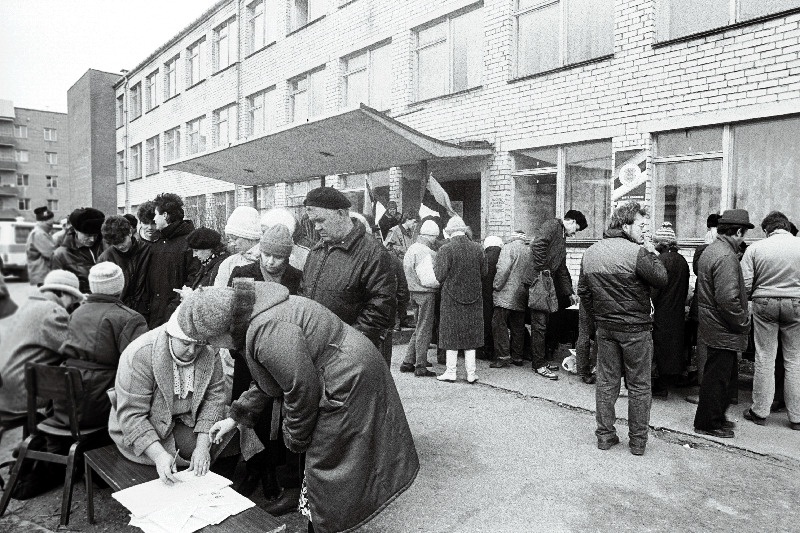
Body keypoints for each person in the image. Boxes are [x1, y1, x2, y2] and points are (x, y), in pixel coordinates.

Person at [177, 280, 418, 533]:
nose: (213, 347)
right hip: (341, 370)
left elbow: (300, 389)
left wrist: (296, 438)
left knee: (328, 468)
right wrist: (235, 418)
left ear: (221, 329)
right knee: (323, 470)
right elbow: (274, 379)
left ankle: (325, 527)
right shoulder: (254, 315)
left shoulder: (266, 330)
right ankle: (320, 523)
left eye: (207, 340)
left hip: (347, 379)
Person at [578, 201, 668, 456]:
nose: (644, 232)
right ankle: (638, 442)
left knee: (606, 383)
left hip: (606, 328)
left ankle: (605, 436)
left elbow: (584, 291)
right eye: (641, 226)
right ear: (625, 225)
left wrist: (599, 316)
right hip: (636, 329)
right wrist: (651, 252)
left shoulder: (591, 252)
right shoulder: (637, 253)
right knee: (639, 385)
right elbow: (661, 279)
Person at [227, 224, 304, 510]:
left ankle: (272, 470)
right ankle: (252, 468)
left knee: (278, 418)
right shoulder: (243, 275)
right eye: (266, 254)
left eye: (278, 257)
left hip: (281, 356)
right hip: (247, 356)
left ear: (288, 257)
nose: (270, 262)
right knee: (248, 415)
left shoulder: (297, 278)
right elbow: (232, 317)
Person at [107, 308, 226, 484]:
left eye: (198, 344)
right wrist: (159, 455)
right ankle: (195, 488)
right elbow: (132, 416)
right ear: (171, 335)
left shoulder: (208, 349)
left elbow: (214, 397)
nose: (192, 351)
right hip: (149, 423)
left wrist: (202, 447)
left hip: (187, 418)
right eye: (186, 343)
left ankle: (219, 489)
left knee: (235, 431)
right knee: (198, 447)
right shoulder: (141, 353)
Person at [301, 187, 395, 348]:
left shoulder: (374, 253)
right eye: (313, 222)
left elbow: (381, 307)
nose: (316, 228)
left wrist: (345, 346)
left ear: (341, 214)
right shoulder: (316, 251)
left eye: (321, 220)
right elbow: (303, 294)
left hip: (352, 354)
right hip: (318, 348)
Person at [58, 262, 148, 429]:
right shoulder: (130, 318)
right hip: (102, 405)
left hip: (65, 402)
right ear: (121, 285)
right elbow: (141, 367)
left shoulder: (76, 313)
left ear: (93, 287)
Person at [693, 209, 753, 439]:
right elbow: (728, 298)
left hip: (713, 324)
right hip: (724, 327)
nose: (744, 238)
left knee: (716, 376)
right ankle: (709, 423)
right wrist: (743, 321)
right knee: (718, 378)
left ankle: (713, 418)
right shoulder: (727, 256)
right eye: (744, 233)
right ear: (737, 231)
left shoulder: (712, 250)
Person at [740, 211, 800, 430]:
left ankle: (760, 411)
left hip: (764, 302)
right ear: (786, 226)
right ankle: (796, 417)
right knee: (794, 359)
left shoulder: (755, 248)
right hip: (796, 304)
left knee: (765, 357)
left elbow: (745, 284)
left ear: (767, 230)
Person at [0, 270, 83, 419]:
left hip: (6, 392)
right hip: (24, 393)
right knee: (82, 386)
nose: (73, 305)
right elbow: (76, 349)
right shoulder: (53, 311)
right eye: (74, 299)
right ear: (63, 293)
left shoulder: (28, 305)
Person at [526, 210, 588, 380]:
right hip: (539, 282)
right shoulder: (553, 226)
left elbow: (561, 268)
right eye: (577, 228)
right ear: (572, 221)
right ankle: (538, 364)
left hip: (546, 282)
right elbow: (537, 245)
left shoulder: (561, 235)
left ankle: (541, 360)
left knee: (544, 323)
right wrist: (543, 271)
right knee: (539, 324)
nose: (575, 233)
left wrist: (570, 293)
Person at [435, 216, 487, 384]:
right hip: (474, 297)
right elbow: (484, 273)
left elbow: (439, 276)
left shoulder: (445, 249)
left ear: (449, 232)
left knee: (451, 335)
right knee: (470, 336)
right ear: (464, 231)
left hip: (451, 297)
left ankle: (451, 372)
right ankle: (471, 373)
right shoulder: (478, 248)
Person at [146, 193, 198, 328]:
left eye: (156, 214)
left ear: (165, 215)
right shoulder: (159, 242)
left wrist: (172, 308)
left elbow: (194, 279)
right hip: (155, 315)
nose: (154, 218)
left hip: (175, 317)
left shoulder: (189, 242)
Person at [650, 222, 690, 398]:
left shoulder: (660, 260)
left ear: (660, 243)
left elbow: (655, 289)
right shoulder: (682, 261)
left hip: (662, 311)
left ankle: (659, 386)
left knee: (660, 348)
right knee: (674, 347)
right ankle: (672, 379)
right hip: (678, 311)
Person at [400, 219, 441, 377]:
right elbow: (429, 279)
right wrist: (440, 284)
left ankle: (408, 361)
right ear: (432, 236)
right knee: (425, 329)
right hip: (426, 293)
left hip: (413, 291)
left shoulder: (412, 248)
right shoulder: (427, 252)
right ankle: (421, 365)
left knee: (418, 327)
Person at [98, 215, 151, 319]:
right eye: (115, 244)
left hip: (145, 312)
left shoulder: (147, 250)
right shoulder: (105, 259)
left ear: (130, 233)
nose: (120, 246)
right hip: (118, 314)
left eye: (122, 241)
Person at [490, 231, 530, 368]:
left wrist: (496, 286)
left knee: (499, 324)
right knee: (518, 326)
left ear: (512, 237)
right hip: (522, 294)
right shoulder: (529, 250)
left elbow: (503, 269)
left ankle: (503, 356)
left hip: (506, 293)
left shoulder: (508, 248)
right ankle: (517, 357)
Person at [52, 207, 106, 294]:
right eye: (87, 235)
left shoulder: (106, 245)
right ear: (76, 230)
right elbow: (56, 289)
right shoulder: (61, 255)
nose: (92, 239)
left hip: (106, 302)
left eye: (95, 235)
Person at [212, 206, 263, 288]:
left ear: (249, 237)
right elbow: (219, 294)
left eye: (235, 239)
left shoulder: (269, 260)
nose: (232, 244)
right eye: (230, 239)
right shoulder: (229, 263)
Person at [482, 235, 503, 361]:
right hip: (500, 293)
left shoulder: (484, 257)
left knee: (486, 321)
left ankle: (487, 349)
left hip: (485, 295)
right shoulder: (502, 256)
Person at [26, 206, 57, 286]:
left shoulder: (43, 232)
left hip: (44, 273)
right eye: (50, 222)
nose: (52, 224)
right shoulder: (39, 234)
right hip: (43, 273)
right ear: (43, 221)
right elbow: (51, 253)